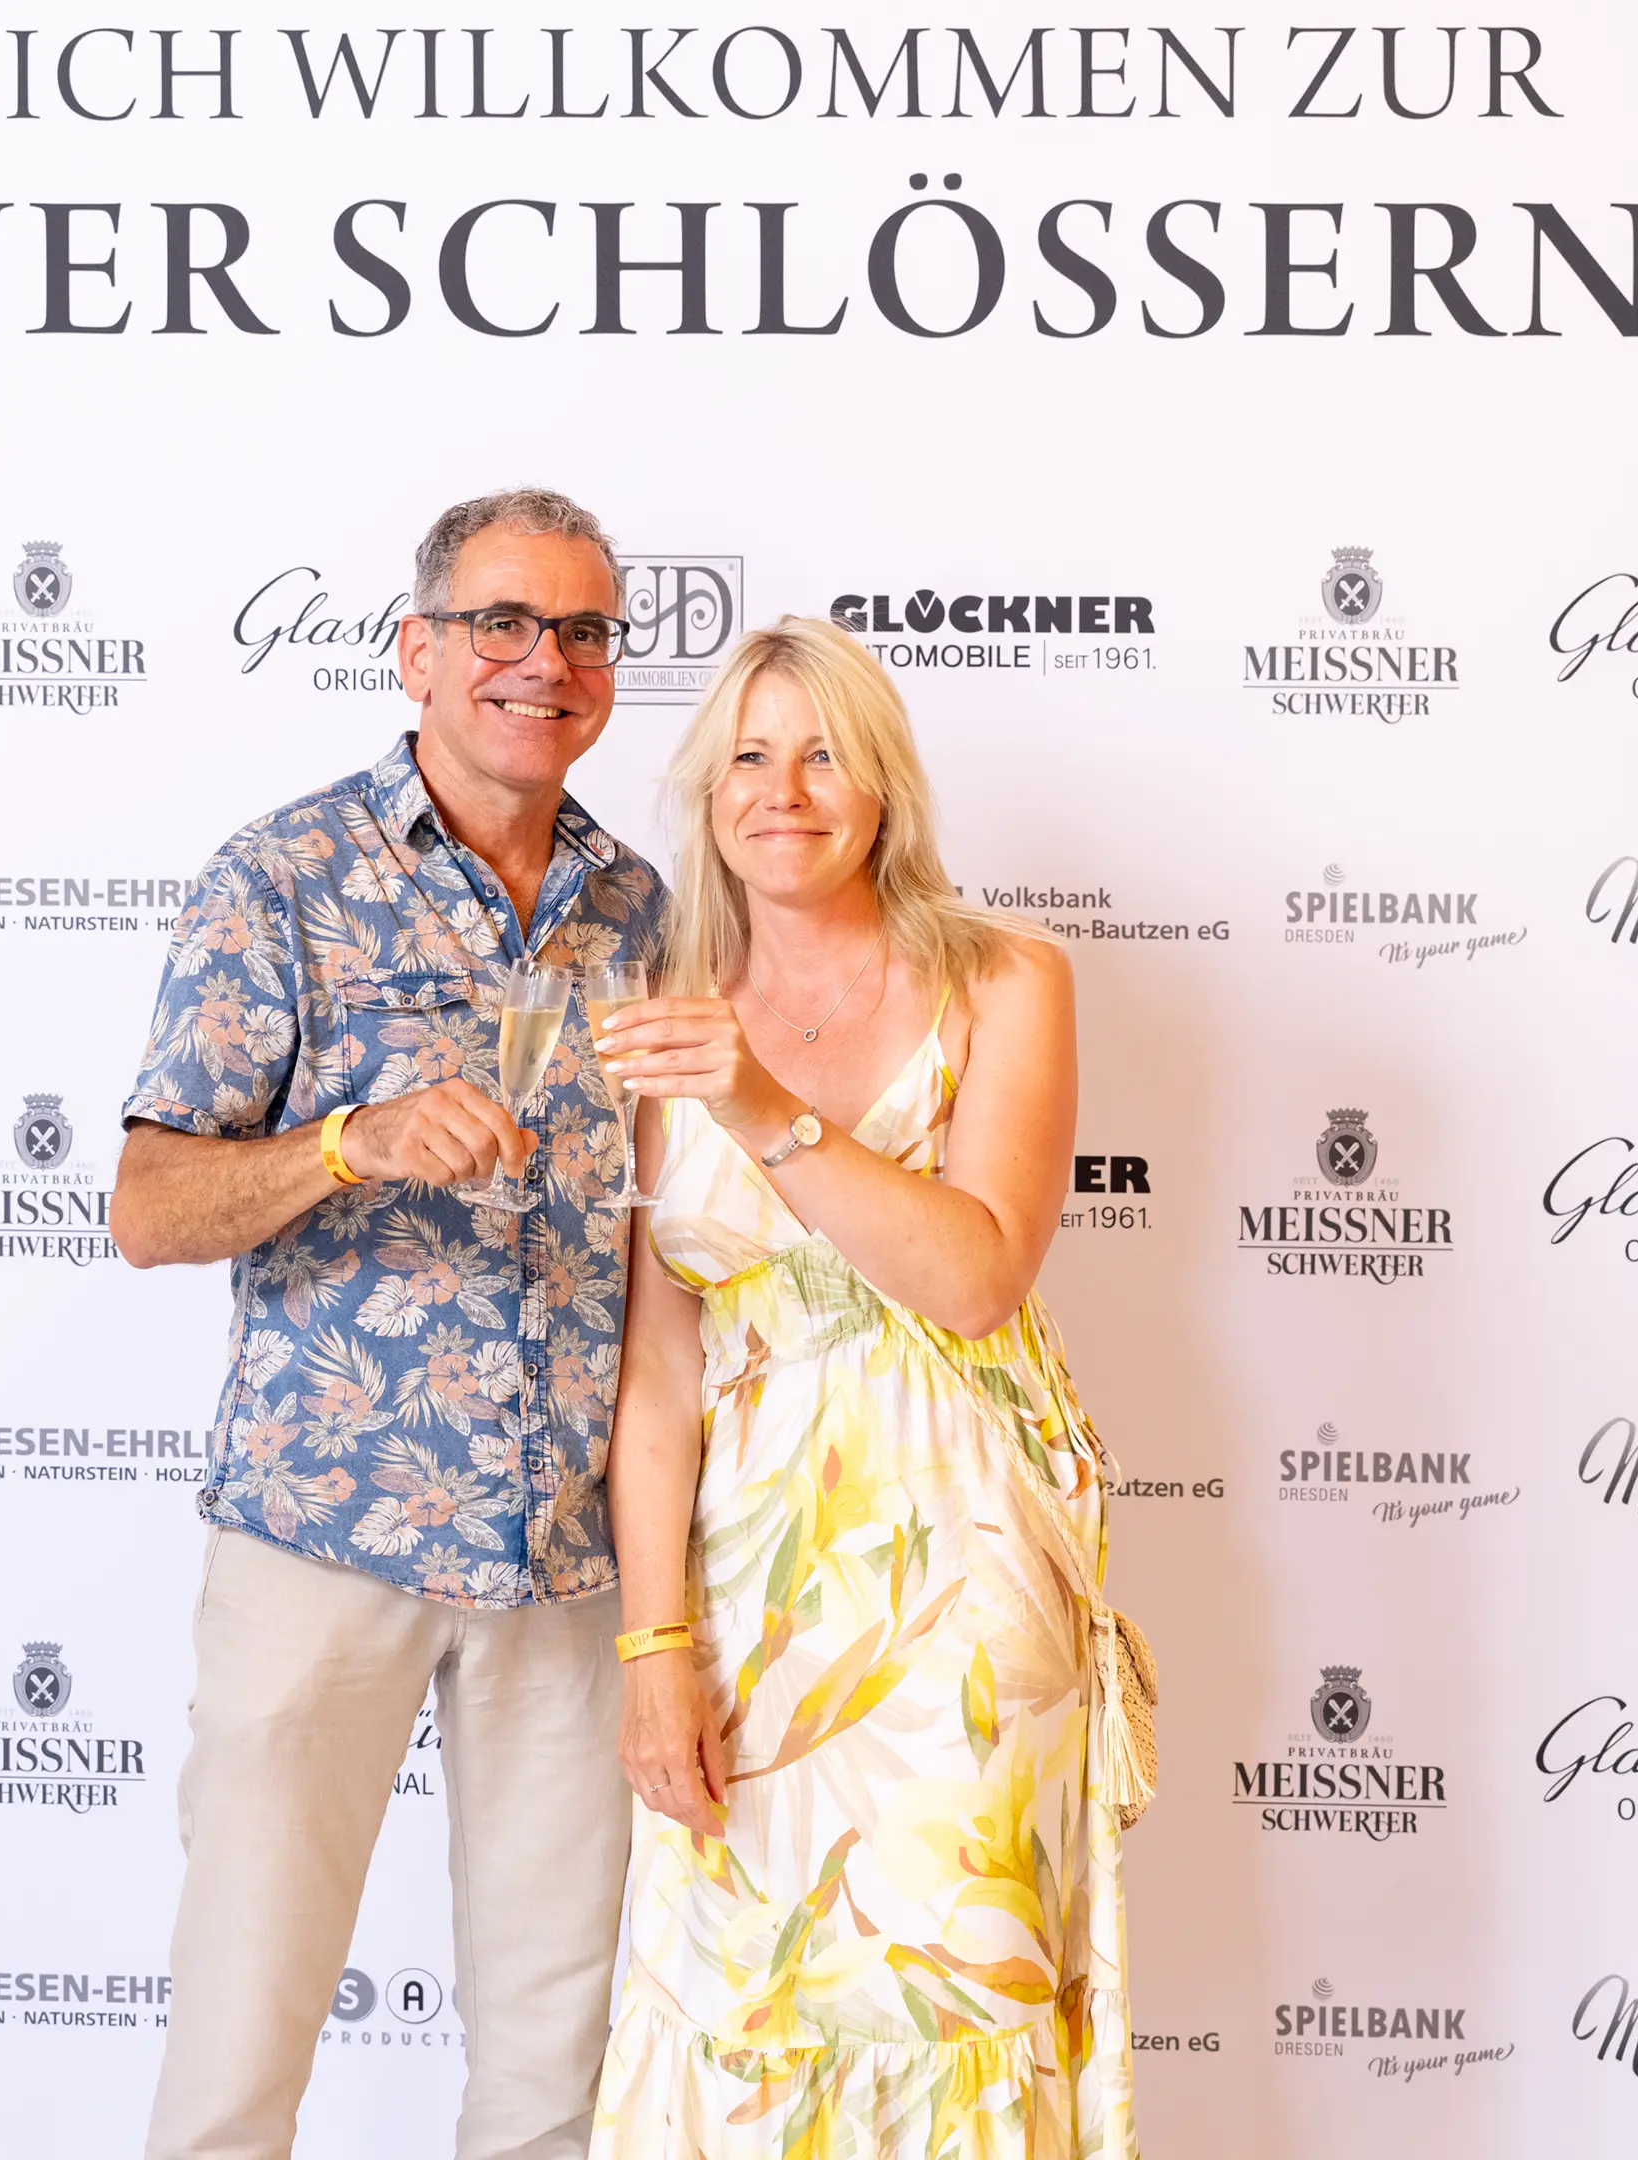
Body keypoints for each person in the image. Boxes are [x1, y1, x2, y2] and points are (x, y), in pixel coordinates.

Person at [114, 487, 666, 2160]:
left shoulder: (643, 908)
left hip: (567, 1564)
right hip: (323, 1535)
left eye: (582, 630)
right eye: (502, 623)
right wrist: (349, 1142)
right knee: (238, 2060)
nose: (544, 660)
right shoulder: (281, 877)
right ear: (417, 651)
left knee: (554, 2082)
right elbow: (148, 1207)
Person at [587, 618, 1140, 2156]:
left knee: (948, 1991)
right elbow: (657, 1366)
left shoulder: (1004, 978)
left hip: (962, 1569)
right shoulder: (659, 1012)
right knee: (739, 2007)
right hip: (745, 1591)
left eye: (824, 755)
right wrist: (653, 1644)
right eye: (749, 757)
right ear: (708, 797)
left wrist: (761, 1103)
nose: (783, 790)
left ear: (884, 786)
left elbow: (975, 1276)